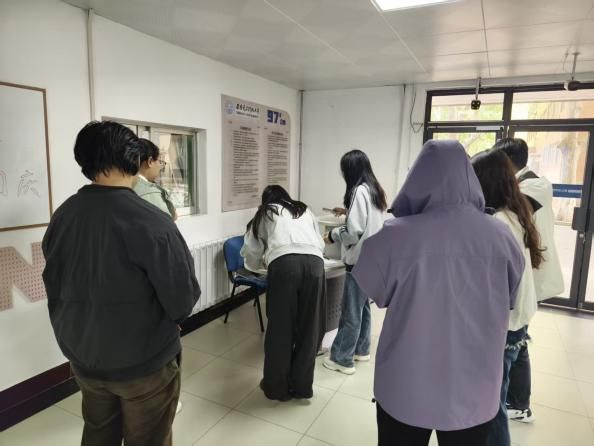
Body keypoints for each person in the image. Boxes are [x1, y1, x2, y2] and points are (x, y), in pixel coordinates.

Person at [353, 140, 524, 445]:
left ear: (416, 178)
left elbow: (372, 289)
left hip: (405, 387)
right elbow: (510, 296)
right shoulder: (502, 236)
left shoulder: (393, 237)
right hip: (474, 391)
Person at [42, 121, 201, 446]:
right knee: (150, 438)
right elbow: (183, 299)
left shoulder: (62, 217)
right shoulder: (153, 222)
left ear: (84, 161)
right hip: (144, 364)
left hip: (85, 357)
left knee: (98, 433)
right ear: (134, 159)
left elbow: (54, 281)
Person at [472, 149, 544, 446]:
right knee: (496, 399)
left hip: (506, 325)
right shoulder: (516, 213)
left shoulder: (499, 223)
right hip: (518, 321)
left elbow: (494, 282)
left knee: (492, 407)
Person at [493, 137, 565, 423]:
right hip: (525, 274)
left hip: (529, 275)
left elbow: (506, 210)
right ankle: (519, 402)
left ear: (509, 162)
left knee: (516, 340)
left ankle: (518, 403)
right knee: (518, 339)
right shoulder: (526, 184)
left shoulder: (532, 186)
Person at [241, 185, 326, 401]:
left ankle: (277, 387)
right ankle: (302, 387)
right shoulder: (304, 210)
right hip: (316, 265)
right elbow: (319, 242)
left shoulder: (266, 211)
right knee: (310, 327)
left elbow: (252, 250)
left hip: (285, 266)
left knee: (280, 328)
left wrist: (258, 266)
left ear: (266, 200)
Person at [323, 149, 387, 375]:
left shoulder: (359, 191)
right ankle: (361, 350)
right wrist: (347, 212)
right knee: (363, 308)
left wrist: (333, 235)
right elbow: (367, 221)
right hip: (373, 260)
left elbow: (353, 232)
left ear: (351, 170)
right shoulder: (374, 189)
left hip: (358, 261)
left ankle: (342, 359)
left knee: (350, 312)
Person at [134, 138, 177, 220]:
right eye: (159, 161)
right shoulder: (150, 192)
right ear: (150, 161)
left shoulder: (122, 186)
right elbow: (167, 221)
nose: (160, 166)